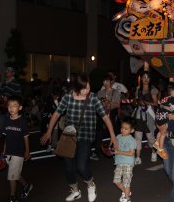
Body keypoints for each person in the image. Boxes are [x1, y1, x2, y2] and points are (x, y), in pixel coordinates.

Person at [40, 73, 118, 202]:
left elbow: (105, 117)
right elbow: (56, 114)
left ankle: (90, 184)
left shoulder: (93, 98)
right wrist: (48, 132)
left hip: (86, 136)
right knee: (68, 168)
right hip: (69, 136)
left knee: (81, 166)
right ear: (76, 88)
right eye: (84, 88)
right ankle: (75, 191)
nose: (87, 90)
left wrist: (113, 136)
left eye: (88, 87)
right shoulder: (68, 97)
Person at [2, 95, 33, 202]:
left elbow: (26, 138)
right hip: (9, 151)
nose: (11, 108)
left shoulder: (22, 122)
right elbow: (6, 137)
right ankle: (27, 185)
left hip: (18, 152)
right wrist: (4, 151)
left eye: (15, 106)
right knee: (15, 173)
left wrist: (27, 152)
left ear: (20, 108)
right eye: (9, 105)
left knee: (11, 176)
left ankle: (12, 197)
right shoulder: (6, 120)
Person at [132, 71, 158, 165]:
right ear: (141, 78)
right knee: (137, 136)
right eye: (144, 77)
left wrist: (146, 103)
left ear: (150, 79)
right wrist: (136, 102)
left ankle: (154, 152)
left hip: (149, 114)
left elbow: (156, 103)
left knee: (150, 136)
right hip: (139, 114)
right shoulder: (138, 88)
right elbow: (135, 100)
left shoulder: (153, 89)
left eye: (147, 77)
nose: (146, 79)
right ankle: (138, 157)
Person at [94, 74, 121, 160]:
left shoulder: (116, 92)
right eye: (104, 81)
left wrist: (108, 102)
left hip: (112, 113)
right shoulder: (100, 92)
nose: (105, 83)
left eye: (107, 81)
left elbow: (117, 105)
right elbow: (96, 104)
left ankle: (114, 151)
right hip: (101, 113)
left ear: (111, 82)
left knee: (113, 132)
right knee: (98, 132)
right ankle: (97, 152)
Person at [113, 116, 137, 202]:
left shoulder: (132, 140)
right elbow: (115, 147)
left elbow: (131, 153)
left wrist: (119, 152)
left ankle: (127, 198)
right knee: (116, 181)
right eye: (122, 128)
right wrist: (112, 150)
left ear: (132, 130)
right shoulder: (118, 136)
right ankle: (126, 192)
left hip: (128, 164)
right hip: (119, 163)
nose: (123, 130)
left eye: (126, 129)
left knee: (126, 183)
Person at [0, 65, 22, 136]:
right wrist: (1, 97)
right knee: (0, 124)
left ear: (13, 73)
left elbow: (19, 96)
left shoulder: (16, 83)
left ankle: (11, 138)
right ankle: (5, 136)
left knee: (10, 125)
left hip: (12, 107)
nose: (7, 72)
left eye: (9, 71)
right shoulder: (4, 83)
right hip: (3, 106)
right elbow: (1, 93)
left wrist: (9, 99)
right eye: (6, 71)